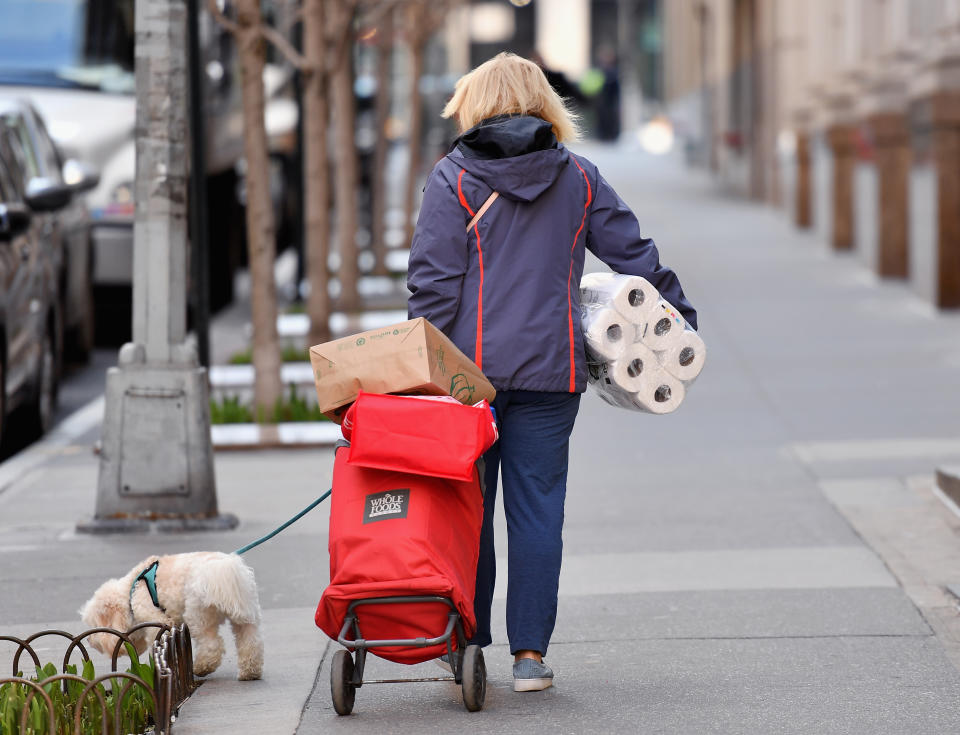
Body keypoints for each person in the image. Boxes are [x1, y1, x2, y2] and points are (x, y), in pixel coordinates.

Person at [407, 52, 697, 693]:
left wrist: (420, 372)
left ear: (473, 104)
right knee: (539, 510)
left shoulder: (453, 178)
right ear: (546, 102)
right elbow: (633, 256)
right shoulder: (580, 178)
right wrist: (679, 316)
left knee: (469, 512)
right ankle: (530, 658)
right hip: (552, 370)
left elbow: (431, 287)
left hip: (466, 382)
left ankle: (469, 646)